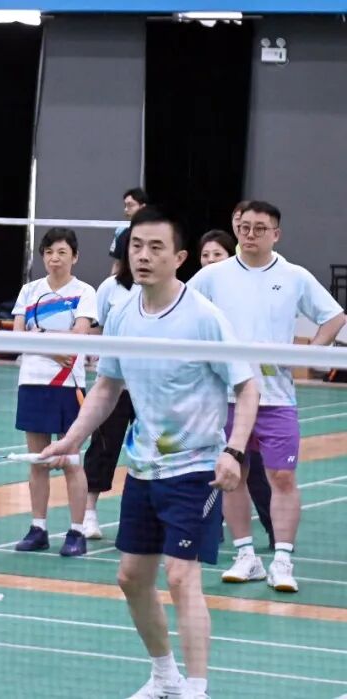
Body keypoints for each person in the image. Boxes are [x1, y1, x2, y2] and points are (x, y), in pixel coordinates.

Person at [41, 206, 258, 699]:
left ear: (179, 258)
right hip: (142, 468)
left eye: (156, 247)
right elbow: (107, 386)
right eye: (136, 246)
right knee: (131, 577)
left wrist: (233, 451)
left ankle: (196, 689)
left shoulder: (203, 317)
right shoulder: (121, 313)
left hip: (197, 468)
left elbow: (247, 386)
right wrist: (73, 438)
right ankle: (165, 677)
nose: (143, 256)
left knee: (181, 576)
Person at [189, 201, 345, 593]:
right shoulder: (212, 276)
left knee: (282, 476)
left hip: (276, 398)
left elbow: (334, 316)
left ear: (276, 234)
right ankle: (246, 556)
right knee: (232, 477)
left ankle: (282, 561)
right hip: (226, 397)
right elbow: (184, 312)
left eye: (260, 228)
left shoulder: (294, 276)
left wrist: (309, 354)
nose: (250, 234)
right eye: (244, 226)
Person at [11, 228, 97, 556]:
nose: (54, 258)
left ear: (74, 256)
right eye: (48, 252)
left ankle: (77, 532)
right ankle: (38, 528)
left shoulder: (84, 292)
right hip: (32, 382)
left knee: (72, 461)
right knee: (38, 461)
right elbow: (16, 336)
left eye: (61, 252)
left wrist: (38, 335)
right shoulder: (29, 291)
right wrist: (50, 346)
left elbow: (79, 335)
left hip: (67, 384)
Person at [199, 226, 275, 548]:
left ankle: (274, 528)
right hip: (211, 394)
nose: (210, 260)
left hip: (248, 393)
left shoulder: (243, 291)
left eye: (217, 254)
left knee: (252, 470)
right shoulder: (198, 295)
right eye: (205, 255)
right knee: (209, 464)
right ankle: (211, 530)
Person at [82, 227, 138, 540]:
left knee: (154, 452)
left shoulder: (169, 290)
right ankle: (89, 513)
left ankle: (143, 516)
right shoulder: (110, 288)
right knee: (103, 447)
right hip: (114, 385)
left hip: (150, 388)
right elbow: (98, 328)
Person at [108, 187, 149, 273]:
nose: (126, 209)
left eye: (130, 205)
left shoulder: (155, 232)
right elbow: (117, 263)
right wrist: (112, 280)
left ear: (143, 207)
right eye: (125, 206)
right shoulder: (121, 231)